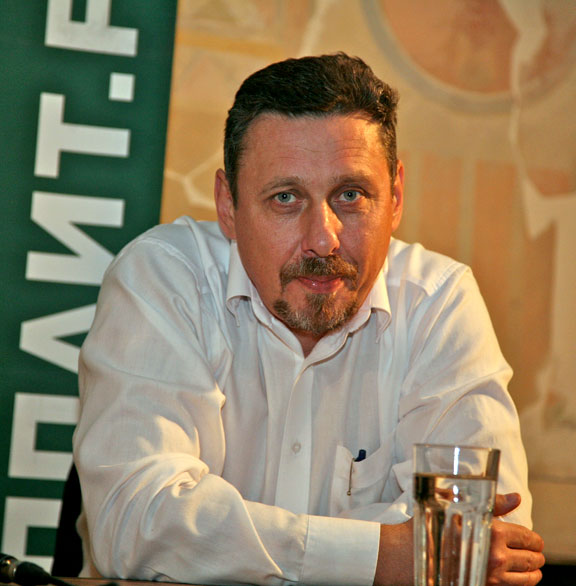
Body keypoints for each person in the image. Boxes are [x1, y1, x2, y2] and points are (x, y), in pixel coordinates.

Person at [73, 53, 545, 585]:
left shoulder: (437, 301)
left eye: (351, 195)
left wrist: (222, 539)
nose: (323, 239)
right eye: (285, 197)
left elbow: (487, 542)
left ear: (395, 198)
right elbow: (134, 522)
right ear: (227, 205)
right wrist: (386, 555)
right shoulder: (165, 278)